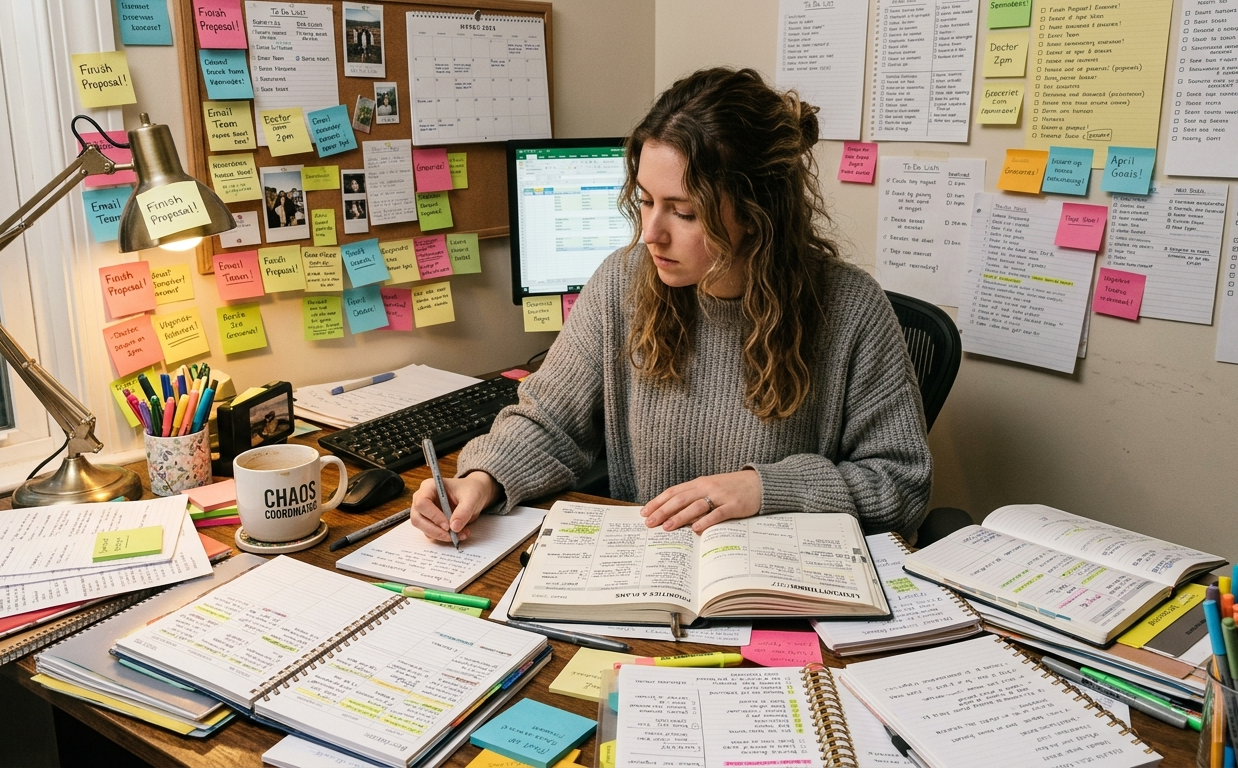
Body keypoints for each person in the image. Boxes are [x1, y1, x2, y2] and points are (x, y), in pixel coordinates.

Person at [411, 67, 932, 545]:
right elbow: (550, 419)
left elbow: (901, 484)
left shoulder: (852, 309)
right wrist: (481, 479)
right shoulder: (622, 281)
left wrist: (766, 490)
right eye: (644, 201)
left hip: (782, 587)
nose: (651, 234)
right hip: (648, 572)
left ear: (755, 213)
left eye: (683, 212)